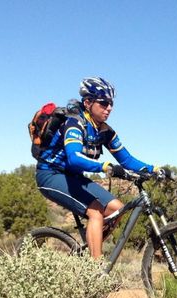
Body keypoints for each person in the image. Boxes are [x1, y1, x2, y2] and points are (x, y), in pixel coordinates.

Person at [35, 76, 159, 259]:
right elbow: (74, 158)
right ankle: (95, 270)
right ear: (88, 102)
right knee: (95, 211)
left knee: (117, 209)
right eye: (103, 103)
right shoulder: (75, 124)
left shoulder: (104, 131)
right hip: (50, 174)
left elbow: (127, 160)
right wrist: (105, 167)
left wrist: (154, 169)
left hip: (73, 177)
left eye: (111, 104)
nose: (109, 108)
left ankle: (89, 251)